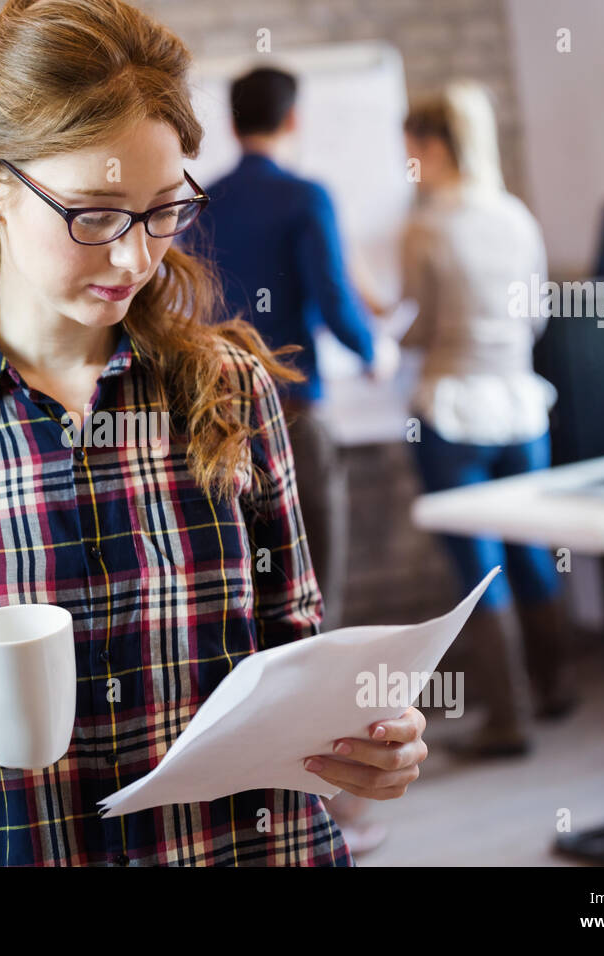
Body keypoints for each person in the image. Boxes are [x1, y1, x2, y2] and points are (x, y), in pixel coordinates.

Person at [0, 0, 428, 867]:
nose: (135, 258)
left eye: (163, 210)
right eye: (96, 214)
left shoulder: (232, 391)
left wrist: (371, 740)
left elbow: (299, 660)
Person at [196, 65, 400, 857]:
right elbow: (332, 297)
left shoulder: (202, 199)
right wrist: (372, 354)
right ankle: (335, 811)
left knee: (245, 616)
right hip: (290, 419)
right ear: (294, 118)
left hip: (212, 422)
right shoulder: (304, 195)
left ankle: (261, 804)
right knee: (316, 611)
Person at [398, 81, 577, 758]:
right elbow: (533, 316)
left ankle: (509, 720)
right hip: (521, 407)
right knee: (531, 547)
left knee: (478, 572)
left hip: (454, 410)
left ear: (434, 147)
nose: (408, 165)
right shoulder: (516, 216)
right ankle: (557, 686)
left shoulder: (425, 227)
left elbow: (419, 329)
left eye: (410, 151)